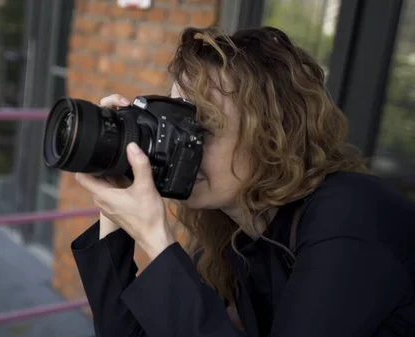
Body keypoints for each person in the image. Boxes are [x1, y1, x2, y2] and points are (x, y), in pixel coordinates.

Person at [69, 26, 415, 337]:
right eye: (175, 122)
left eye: (200, 128)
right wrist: (114, 200)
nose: (181, 145)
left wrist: (156, 240)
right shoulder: (231, 230)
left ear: (273, 138)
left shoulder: (350, 216)